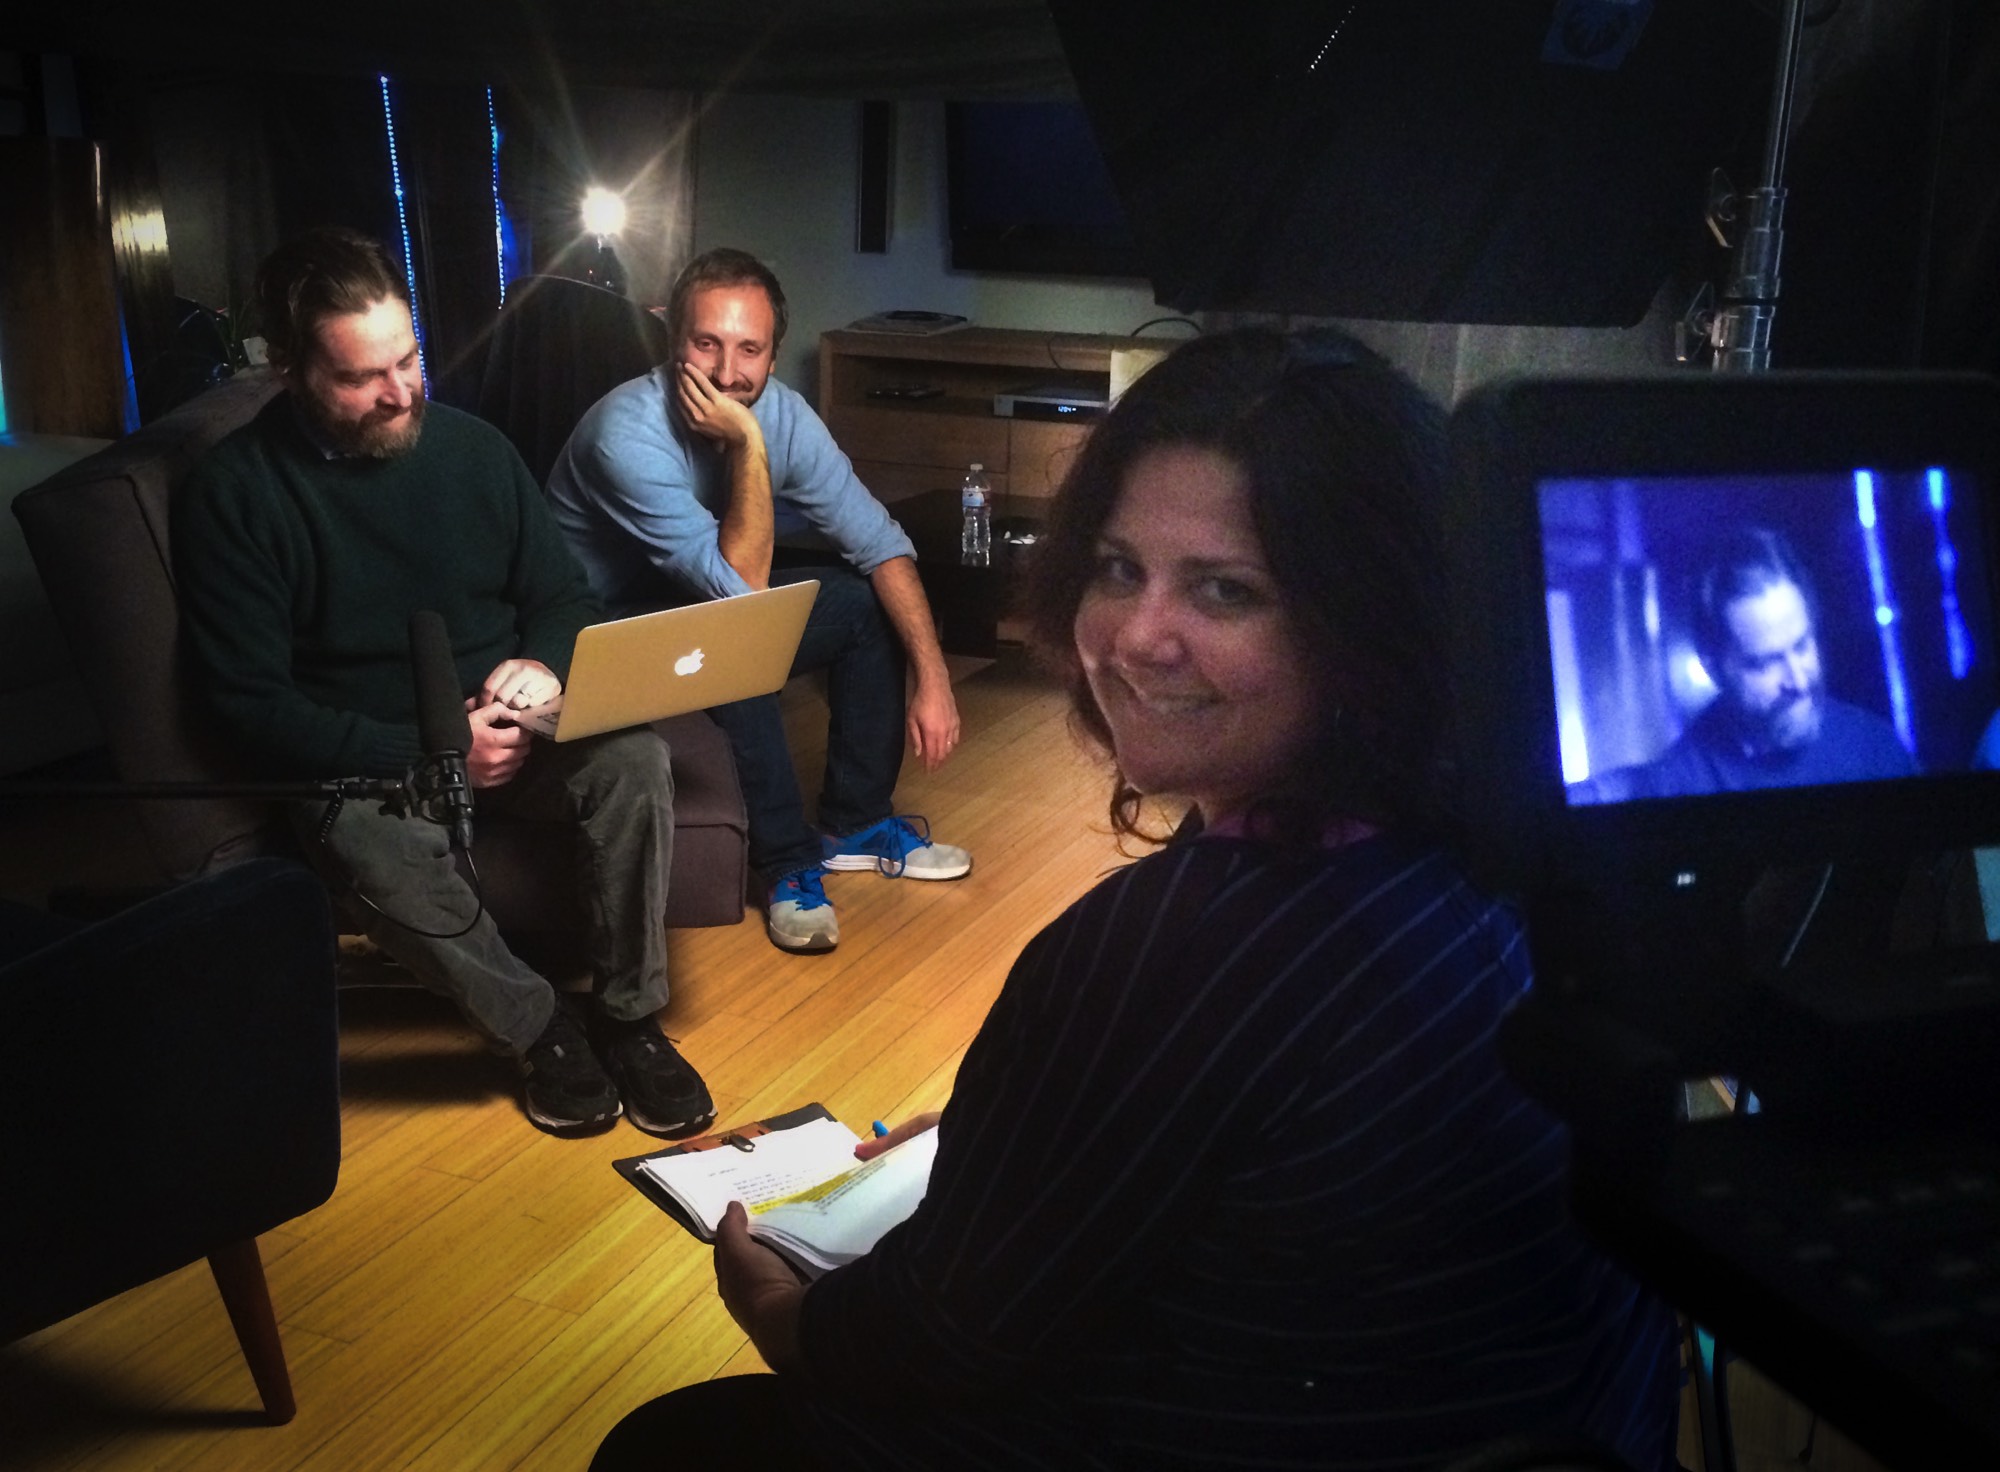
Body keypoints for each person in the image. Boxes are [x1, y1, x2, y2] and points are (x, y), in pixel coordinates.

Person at [589, 329, 1680, 1472]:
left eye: (1224, 588)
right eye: (1116, 568)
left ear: (1369, 616)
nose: (1134, 637)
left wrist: (785, 1312)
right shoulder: (1522, 841)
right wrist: (1009, 1146)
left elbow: (939, 1337)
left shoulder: (1169, 949)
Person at [172, 226, 713, 1141]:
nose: (400, 392)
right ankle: (539, 1029)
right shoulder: (237, 494)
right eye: (361, 378)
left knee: (634, 761)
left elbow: (562, 598)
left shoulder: (477, 451)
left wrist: (543, 664)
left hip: (517, 727)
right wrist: (435, 751)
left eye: (408, 359)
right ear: (291, 371)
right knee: (366, 850)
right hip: (372, 758)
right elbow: (246, 705)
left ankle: (629, 1017)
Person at [545, 248, 969, 956]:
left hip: (701, 602)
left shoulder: (785, 414)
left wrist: (934, 675)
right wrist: (747, 442)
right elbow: (739, 595)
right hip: (598, 638)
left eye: (750, 349)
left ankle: (856, 824)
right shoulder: (626, 432)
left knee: (860, 602)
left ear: (773, 354)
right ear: (672, 338)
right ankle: (787, 865)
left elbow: (881, 543)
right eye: (706, 343)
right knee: (736, 636)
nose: (726, 372)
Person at [1578, 526, 1917, 802]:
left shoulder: (1875, 747)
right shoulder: (1677, 787)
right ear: (1713, 668)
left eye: (1802, 646)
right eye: (1765, 663)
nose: (1799, 682)